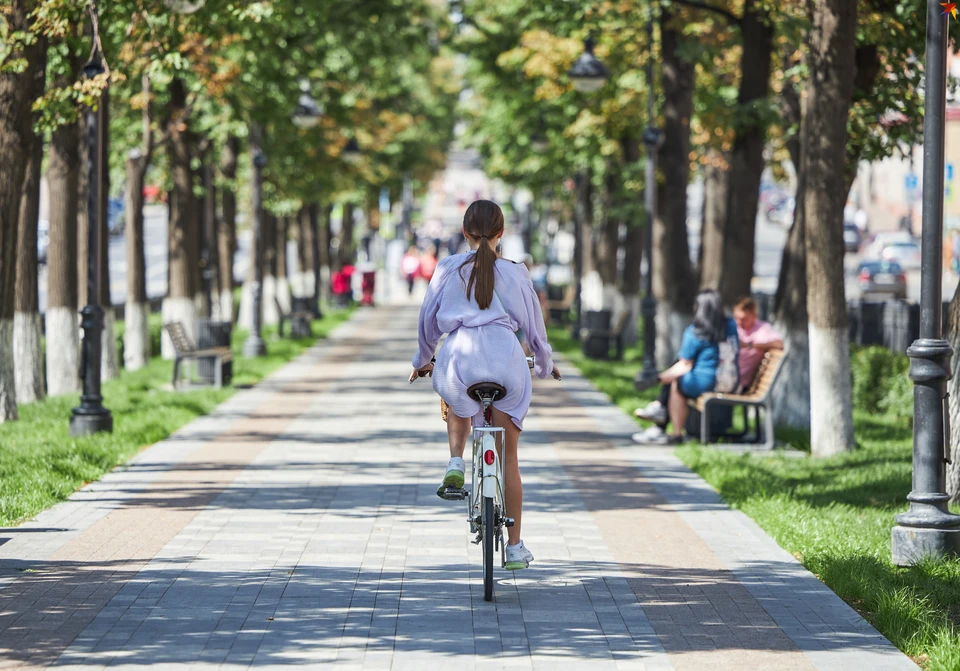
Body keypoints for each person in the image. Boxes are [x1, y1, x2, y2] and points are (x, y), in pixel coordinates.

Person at [409, 200, 561, 571]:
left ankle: (455, 460)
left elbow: (428, 321)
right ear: (501, 234)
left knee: (458, 400)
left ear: (464, 233)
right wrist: (545, 361)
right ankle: (514, 547)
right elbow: (534, 324)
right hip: (507, 362)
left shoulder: (447, 268)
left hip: (460, 357)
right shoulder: (516, 272)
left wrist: (422, 359)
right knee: (509, 456)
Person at [632, 290, 738, 445]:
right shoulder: (731, 326)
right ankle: (659, 414)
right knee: (677, 372)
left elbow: (684, 365)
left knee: (677, 382)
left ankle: (674, 432)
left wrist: (656, 379)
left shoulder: (696, 332)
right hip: (731, 381)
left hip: (706, 383)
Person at [733, 296, 783, 386]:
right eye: (736, 318)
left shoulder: (763, 329)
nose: (739, 322)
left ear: (754, 316)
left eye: (743, 319)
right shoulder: (734, 328)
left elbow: (779, 344)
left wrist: (749, 345)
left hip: (739, 382)